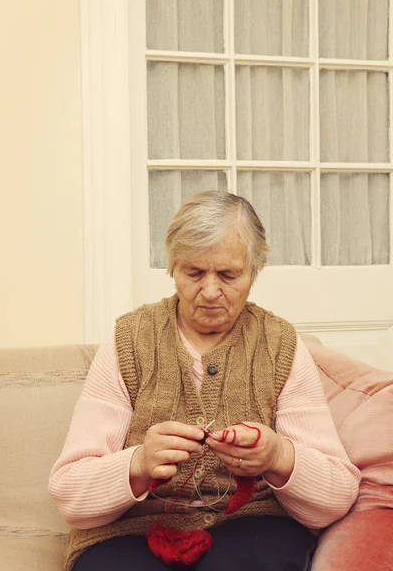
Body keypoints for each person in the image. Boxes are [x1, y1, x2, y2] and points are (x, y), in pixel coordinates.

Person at [49, 191, 361, 571]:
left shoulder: (280, 344)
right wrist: (139, 464)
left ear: (254, 272)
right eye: (194, 273)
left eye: (228, 275)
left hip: (253, 526)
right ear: (172, 269)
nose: (211, 292)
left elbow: (337, 496)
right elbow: (69, 495)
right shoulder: (128, 340)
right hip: (130, 533)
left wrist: (278, 456)